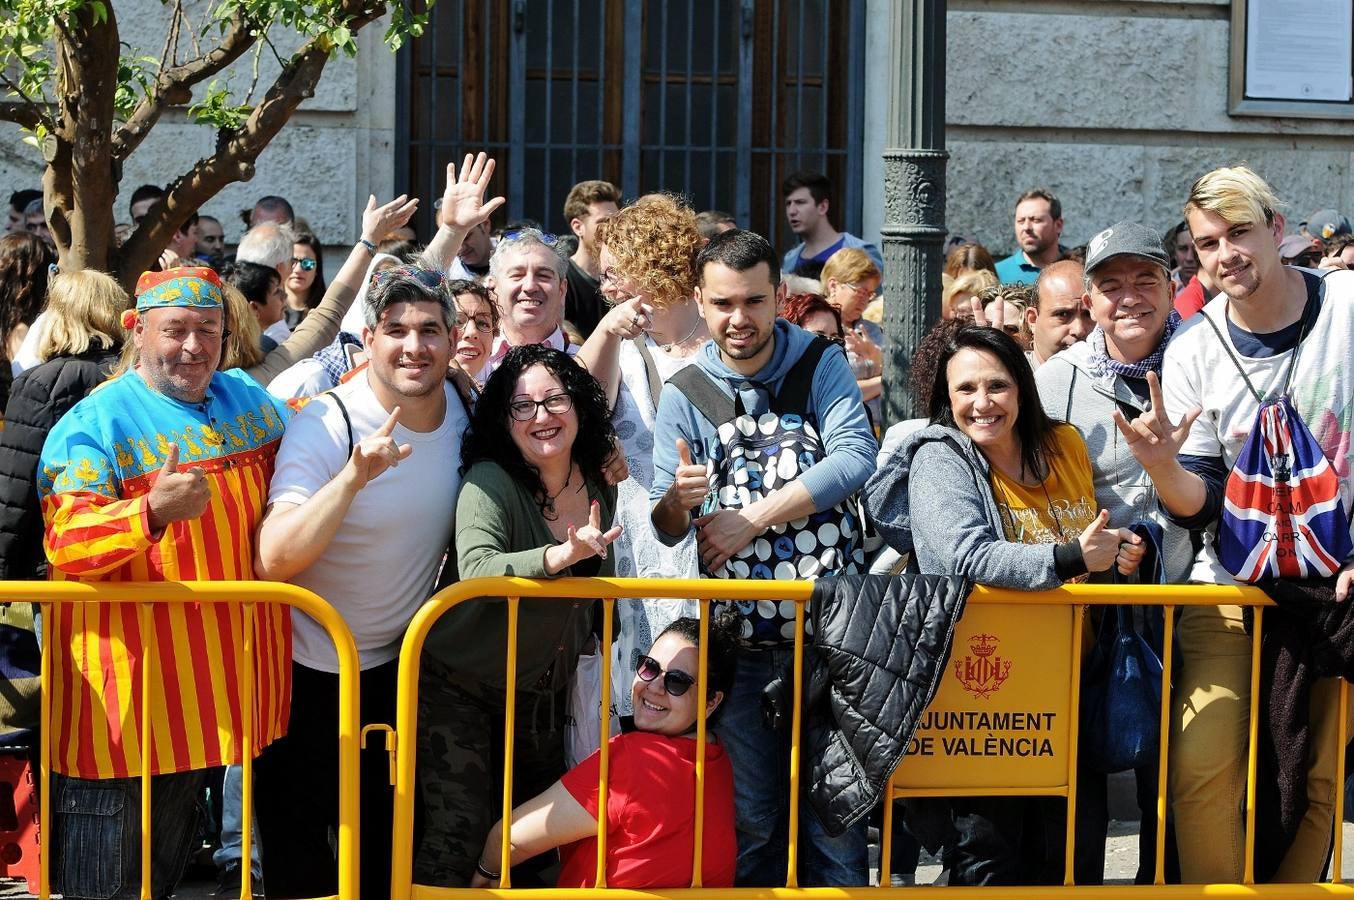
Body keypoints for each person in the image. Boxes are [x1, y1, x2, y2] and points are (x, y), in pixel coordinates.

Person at [1115, 165, 1354, 884]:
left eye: (1240, 233)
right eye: (1207, 243)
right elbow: (1204, 500)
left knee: (1322, 775)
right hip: (1227, 590)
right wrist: (1163, 469)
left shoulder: (1346, 306)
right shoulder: (1192, 348)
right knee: (1200, 766)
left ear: (1278, 231)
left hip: (1336, 595)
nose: (1225, 255)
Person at [36, 266, 292, 900]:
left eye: (208, 329)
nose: (194, 345)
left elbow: (316, 437)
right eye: (175, 329)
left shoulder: (246, 400)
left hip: (206, 709)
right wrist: (148, 513)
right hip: (119, 714)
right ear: (138, 332)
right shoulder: (96, 422)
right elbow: (66, 540)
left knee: (164, 882)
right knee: (107, 890)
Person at [864, 323, 1143, 886]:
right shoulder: (941, 458)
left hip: (1071, 686)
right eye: (965, 389)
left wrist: (1116, 554)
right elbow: (958, 557)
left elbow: (1086, 545)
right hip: (986, 700)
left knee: (1074, 859)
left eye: (997, 385)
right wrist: (1069, 558)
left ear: (1022, 386)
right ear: (945, 398)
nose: (982, 403)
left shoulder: (1064, 444)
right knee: (991, 863)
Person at [649, 229, 876, 887]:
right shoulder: (685, 390)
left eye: (754, 301)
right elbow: (669, 529)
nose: (739, 319)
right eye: (722, 304)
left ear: (780, 296)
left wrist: (752, 518)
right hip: (740, 647)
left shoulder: (819, 363)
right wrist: (677, 499)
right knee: (755, 821)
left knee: (836, 820)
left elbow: (855, 457)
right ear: (700, 300)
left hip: (833, 640)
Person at [253, 266, 469, 900]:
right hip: (301, 674)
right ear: (368, 338)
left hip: (395, 677)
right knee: (299, 867)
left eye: (430, 330)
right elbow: (271, 558)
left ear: (453, 339)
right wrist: (351, 479)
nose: (414, 345)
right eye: (396, 330)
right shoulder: (327, 421)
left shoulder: (468, 406)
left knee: (384, 861)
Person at [414, 344, 621, 887]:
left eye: (553, 399)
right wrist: (558, 557)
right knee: (454, 835)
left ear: (578, 405)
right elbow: (479, 568)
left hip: (542, 696)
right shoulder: (489, 478)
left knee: (531, 845)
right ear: (503, 420)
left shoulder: (600, 482)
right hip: (458, 685)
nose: (541, 416)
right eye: (522, 406)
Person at [1034, 221, 1192, 884]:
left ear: (1173, 286)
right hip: (1089, 617)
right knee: (1082, 780)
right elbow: (1026, 494)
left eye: (1145, 279)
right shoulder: (1053, 383)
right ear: (1090, 301)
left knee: (1181, 782)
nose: (1129, 297)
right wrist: (1090, 550)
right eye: (1111, 284)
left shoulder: (1206, 360)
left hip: (1199, 601)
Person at [470, 612, 740, 889]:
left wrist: (487, 872)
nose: (654, 687)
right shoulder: (718, 759)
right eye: (649, 667)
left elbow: (510, 838)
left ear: (711, 702)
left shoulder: (637, 757)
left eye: (677, 681)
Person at [574, 194, 705, 719]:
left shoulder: (723, 342)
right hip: (641, 540)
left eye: (613, 275)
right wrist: (606, 331)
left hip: (717, 532)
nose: (604, 289)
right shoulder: (622, 348)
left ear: (647, 264)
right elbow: (580, 405)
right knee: (651, 682)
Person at [0, 270, 126, 582]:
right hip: (132, 543)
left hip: (61, 554)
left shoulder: (40, 383)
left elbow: (16, 484)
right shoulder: (137, 376)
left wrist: (4, 567)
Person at [780, 171, 883, 280]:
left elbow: (877, 295)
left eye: (800, 202)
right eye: (788, 203)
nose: (792, 211)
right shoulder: (790, 260)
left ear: (823, 207)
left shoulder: (861, 251)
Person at [821, 247, 884, 423]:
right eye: (860, 292)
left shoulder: (873, 331)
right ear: (833, 285)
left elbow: (903, 383)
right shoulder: (813, 327)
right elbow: (837, 390)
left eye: (870, 294)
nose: (865, 300)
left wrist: (877, 358)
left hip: (876, 430)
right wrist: (883, 382)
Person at [562, 179, 622, 338]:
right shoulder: (561, 279)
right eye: (603, 222)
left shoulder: (626, 277)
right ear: (577, 227)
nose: (611, 228)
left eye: (616, 221)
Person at [1027, 258, 1091, 369]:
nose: (1079, 330)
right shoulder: (1010, 377)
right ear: (1033, 319)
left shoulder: (1113, 379)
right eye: (1063, 314)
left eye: (1088, 314)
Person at [995, 189, 1065, 285]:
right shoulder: (996, 274)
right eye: (1021, 221)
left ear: (1058, 225)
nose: (1026, 227)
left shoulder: (1079, 268)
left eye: (1036, 220)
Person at [284, 232, 327, 328]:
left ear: (317, 269)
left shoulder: (327, 311)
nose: (298, 270)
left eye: (307, 263)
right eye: (292, 261)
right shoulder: (268, 310)